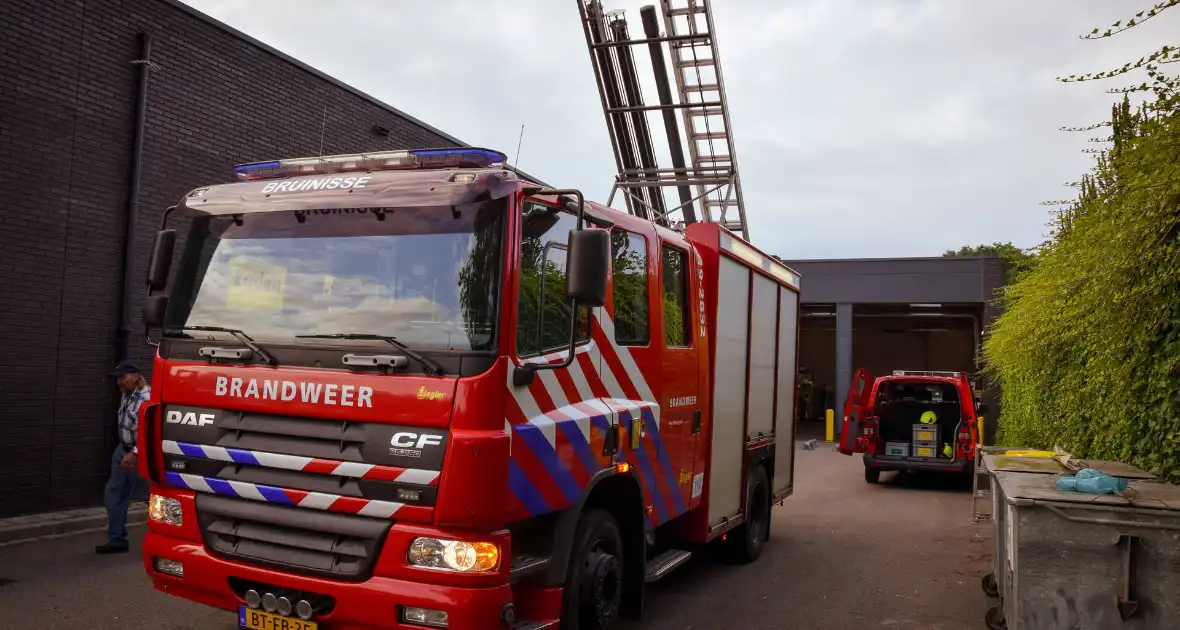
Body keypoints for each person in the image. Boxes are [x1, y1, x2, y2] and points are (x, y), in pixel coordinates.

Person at [96, 362, 152, 554]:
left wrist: (134, 453)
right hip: (122, 451)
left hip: (141, 454)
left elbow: (150, 432)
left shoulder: (148, 398)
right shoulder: (127, 395)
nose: (119, 382)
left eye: (123, 377)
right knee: (114, 494)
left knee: (152, 498)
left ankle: (172, 539)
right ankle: (117, 539)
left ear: (136, 376)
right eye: (118, 378)